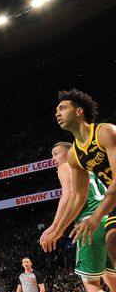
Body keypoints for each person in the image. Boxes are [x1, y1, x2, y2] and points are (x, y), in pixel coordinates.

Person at [40, 141, 116, 292]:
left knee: (90, 281)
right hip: (110, 219)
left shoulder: (67, 166)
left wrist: (56, 227)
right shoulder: (91, 168)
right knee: (111, 276)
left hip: (90, 223)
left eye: (55, 153)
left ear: (68, 153)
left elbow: (69, 195)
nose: (53, 159)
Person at [53, 90, 116, 256]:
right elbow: (79, 197)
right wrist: (58, 229)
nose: (57, 113)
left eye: (62, 108)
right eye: (57, 110)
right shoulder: (73, 155)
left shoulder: (105, 132)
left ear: (79, 111)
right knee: (113, 242)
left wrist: (95, 218)